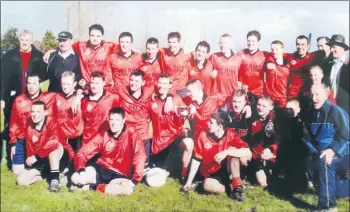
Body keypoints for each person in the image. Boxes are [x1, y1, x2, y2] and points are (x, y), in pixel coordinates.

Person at [70, 107, 146, 196]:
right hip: (101, 170)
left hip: (120, 174)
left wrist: (136, 179)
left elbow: (140, 155)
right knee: (75, 178)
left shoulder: (132, 132)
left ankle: (90, 187)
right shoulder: (103, 134)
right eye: (111, 119)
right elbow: (82, 153)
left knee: (127, 190)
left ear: (123, 120)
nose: (113, 123)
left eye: (117, 120)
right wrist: (81, 168)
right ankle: (104, 187)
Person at [109, 70, 174, 173]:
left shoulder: (149, 90)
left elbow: (166, 87)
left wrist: (170, 97)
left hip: (143, 135)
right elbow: (102, 90)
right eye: (132, 80)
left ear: (143, 83)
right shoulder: (122, 89)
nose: (133, 83)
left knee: (142, 171)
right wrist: (80, 94)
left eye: (137, 81)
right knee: (124, 170)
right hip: (127, 134)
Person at [1, 30, 47, 169]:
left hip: (32, 97)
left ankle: (30, 155)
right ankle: (9, 155)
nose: (25, 42)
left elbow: (44, 74)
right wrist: (2, 97)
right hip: (13, 96)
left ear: (31, 41)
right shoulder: (9, 56)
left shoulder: (38, 56)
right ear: (19, 40)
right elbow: (2, 78)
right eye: (22, 40)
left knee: (30, 125)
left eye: (27, 40)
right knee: (11, 125)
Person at [182, 111, 252, 202]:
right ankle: (231, 189)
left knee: (232, 150)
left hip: (227, 171)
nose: (208, 124)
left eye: (211, 122)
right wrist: (189, 181)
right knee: (207, 185)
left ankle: (237, 186)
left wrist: (226, 152)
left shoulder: (230, 134)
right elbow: (196, 159)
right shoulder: (203, 135)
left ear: (220, 127)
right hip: (211, 173)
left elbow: (247, 151)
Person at [302, 83, 349, 211]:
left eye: (317, 94)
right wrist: (314, 152)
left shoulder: (336, 111)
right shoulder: (310, 112)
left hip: (343, 154)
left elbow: (347, 137)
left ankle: (328, 207)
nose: (314, 98)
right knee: (337, 191)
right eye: (311, 95)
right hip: (320, 153)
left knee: (325, 162)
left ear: (326, 94)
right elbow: (307, 137)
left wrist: (333, 150)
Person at [16, 101, 71, 192]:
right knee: (21, 181)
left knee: (54, 147)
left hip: (58, 157)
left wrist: (36, 156)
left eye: (38, 112)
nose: (34, 114)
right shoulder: (29, 124)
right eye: (33, 111)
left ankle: (54, 181)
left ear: (45, 112)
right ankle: (51, 176)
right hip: (42, 159)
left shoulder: (52, 122)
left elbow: (54, 141)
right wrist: (31, 160)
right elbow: (30, 145)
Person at [9, 73, 56, 176]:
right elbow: (14, 123)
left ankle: (43, 168)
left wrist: (78, 97)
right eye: (29, 83)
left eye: (34, 83)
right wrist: (13, 143)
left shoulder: (49, 98)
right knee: (17, 172)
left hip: (39, 140)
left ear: (40, 85)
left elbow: (66, 96)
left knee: (35, 169)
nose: (31, 86)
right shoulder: (19, 100)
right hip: (22, 140)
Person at [149, 73, 194, 181]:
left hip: (174, 138)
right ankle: (166, 167)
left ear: (170, 86)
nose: (161, 85)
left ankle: (183, 174)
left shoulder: (177, 99)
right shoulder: (152, 98)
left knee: (189, 143)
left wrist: (191, 109)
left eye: (164, 83)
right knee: (156, 169)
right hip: (158, 141)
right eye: (159, 82)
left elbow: (187, 114)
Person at [43, 24, 118, 87]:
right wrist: (51, 51)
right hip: (88, 86)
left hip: (106, 85)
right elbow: (65, 45)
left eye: (98, 36)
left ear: (102, 37)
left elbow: (125, 48)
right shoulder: (80, 46)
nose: (95, 38)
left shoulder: (109, 46)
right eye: (92, 35)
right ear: (89, 36)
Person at [52, 71, 84, 172]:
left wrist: (80, 96)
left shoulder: (80, 98)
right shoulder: (57, 97)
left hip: (76, 137)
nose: (65, 86)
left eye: (68, 84)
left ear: (75, 84)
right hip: (62, 137)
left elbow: (88, 91)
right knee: (62, 166)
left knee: (75, 166)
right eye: (63, 84)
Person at [80, 71, 119, 146]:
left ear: (103, 83)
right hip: (88, 142)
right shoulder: (84, 101)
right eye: (92, 83)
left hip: (106, 142)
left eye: (97, 83)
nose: (94, 86)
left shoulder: (113, 98)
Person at [247, 96, 278, 188]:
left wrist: (270, 150)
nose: (260, 108)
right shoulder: (253, 119)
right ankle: (263, 183)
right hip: (257, 153)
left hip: (273, 152)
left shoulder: (275, 121)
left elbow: (278, 140)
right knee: (257, 165)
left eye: (264, 106)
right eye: (259, 105)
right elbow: (252, 140)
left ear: (271, 107)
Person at [238, 30, 268, 111]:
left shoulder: (264, 55)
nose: (250, 43)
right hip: (243, 92)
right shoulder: (241, 54)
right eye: (249, 41)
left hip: (258, 93)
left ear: (258, 42)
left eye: (253, 41)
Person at [159, 32, 191, 97]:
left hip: (182, 89)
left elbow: (203, 56)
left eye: (174, 42)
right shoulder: (163, 51)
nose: (171, 45)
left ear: (179, 43)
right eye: (169, 42)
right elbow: (151, 50)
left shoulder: (187, 54)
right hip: (169, 88)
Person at [324, 34, 349, 115]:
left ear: (342, 47)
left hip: (346, 109)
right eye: (330, 47)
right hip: (331, 107)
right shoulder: (328, 65)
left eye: (334, 47)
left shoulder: (348, 64)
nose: (331, 50)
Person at [264, 40, 290, 108]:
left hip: (282, 100)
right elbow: (268, 64)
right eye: (272, 49)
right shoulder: (268, 61)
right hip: (269, 99)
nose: (274, 51)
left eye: (276, 49)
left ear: (282, 50)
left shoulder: (288, 66)